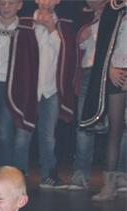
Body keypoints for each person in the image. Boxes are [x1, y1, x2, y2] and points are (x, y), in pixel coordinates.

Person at [6, 0, 76, 188]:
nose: (46, 2)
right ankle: (18, 175)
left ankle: (48, 174)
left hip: (50, 90)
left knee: (48, 136)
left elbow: (66, 54)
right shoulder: (24, 23)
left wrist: (52, 29)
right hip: (29, 88)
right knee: (22, 135)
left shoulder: (63, 25)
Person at [81, 2, 127, 201]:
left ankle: (122, 177)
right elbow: (104, 45)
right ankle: (109, 184)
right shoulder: (113, 8)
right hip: (117, 73)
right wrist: (109, 69)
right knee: (115, 130)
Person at [67, 0, 109, 191]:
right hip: (89, 72)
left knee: (120, 126)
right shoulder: (87, 20)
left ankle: (119, 174)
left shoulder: (121, 18)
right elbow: (79, 44)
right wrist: (94, 23)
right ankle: (80, 174)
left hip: (114, 72)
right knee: (84, 124)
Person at [0, 0, 24, 173]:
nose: (6, 7)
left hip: (12, 86)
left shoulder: (25, 29)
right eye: (2, 4)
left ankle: (6, 174)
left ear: (19, 5)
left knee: (5, 132)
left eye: (10, 3)